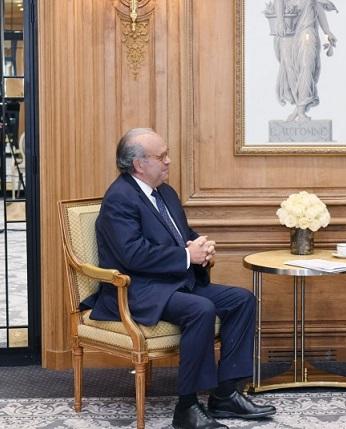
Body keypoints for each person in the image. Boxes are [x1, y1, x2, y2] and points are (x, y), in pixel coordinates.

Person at [81, 128, 276, 429]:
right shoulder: (119, 199)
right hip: (138, 290)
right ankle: (187, 407)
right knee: (200, 309)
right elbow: (133, 255)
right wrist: (187, 256)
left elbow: (182, 235)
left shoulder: (165, 192)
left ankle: (225, 394)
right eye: (162, 156)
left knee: (242, 300)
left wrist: (201, 247)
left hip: (173, 284)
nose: (168, 161)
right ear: (139, 164)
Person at [271, 0, 338, 121]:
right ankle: (298, 107)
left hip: (307, 27)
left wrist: (327, 31)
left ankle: (301, 109)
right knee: (290, 68)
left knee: (307, 64)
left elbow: (317, 6)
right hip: (289, 25)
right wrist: (280, 20)